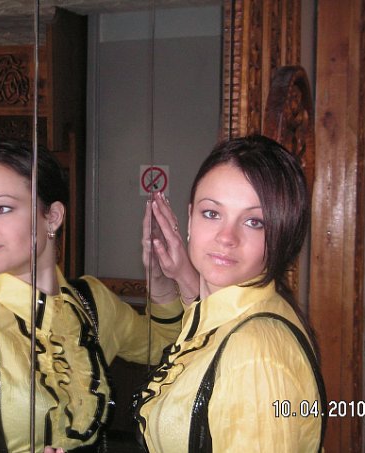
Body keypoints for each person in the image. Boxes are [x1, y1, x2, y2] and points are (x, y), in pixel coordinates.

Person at [0, 141, 189, 453]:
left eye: (2, 208)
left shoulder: (91, 302)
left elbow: (166, 347)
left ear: (53, 216)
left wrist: (160, 281)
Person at [134, 135, 327, 452]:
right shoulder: (240, 314)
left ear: (283, 233)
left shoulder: (254, 357)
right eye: (212, 213)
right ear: (190, 217)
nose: (226, 237)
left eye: (254, 222)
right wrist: (181, 275)